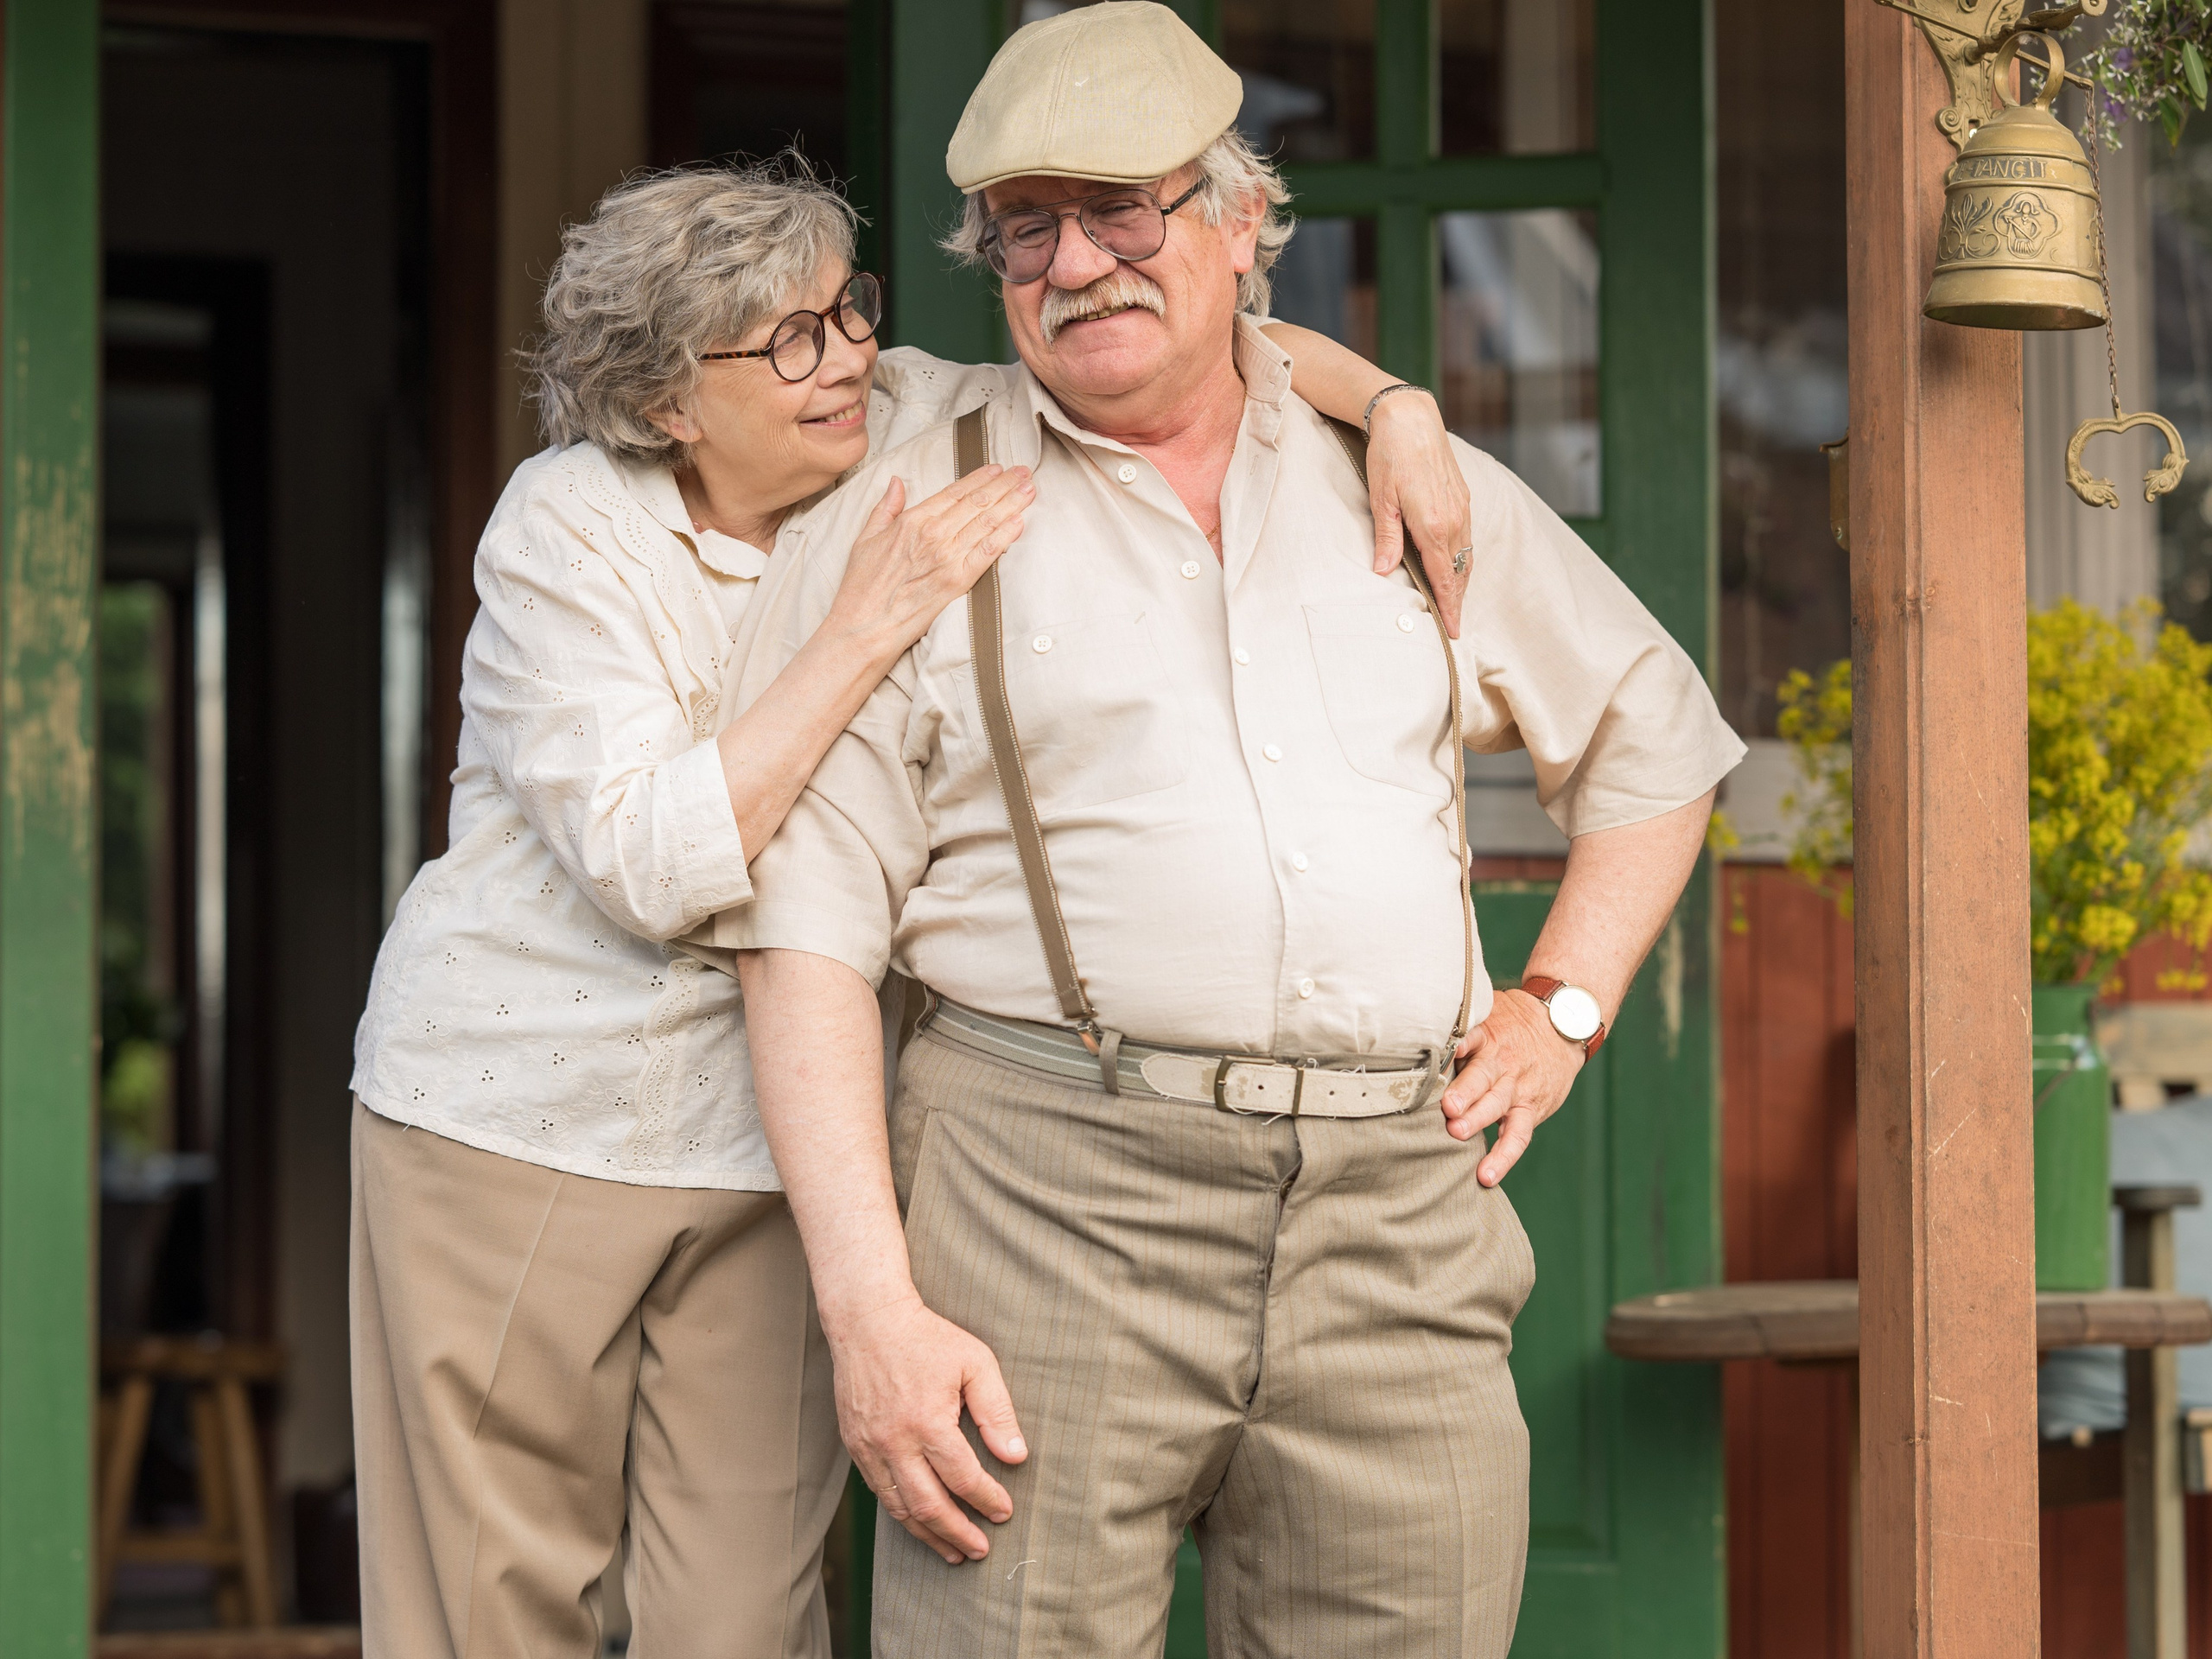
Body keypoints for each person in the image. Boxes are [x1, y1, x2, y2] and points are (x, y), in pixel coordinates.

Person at [346, 154, 1484, 1658]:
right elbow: (654, 862)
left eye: (848, 309)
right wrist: (869, 618)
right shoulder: (567, 529)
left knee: (743, 1615)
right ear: (668, 399)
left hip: (773, 1146)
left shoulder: (893, 420)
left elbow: (1218, 343)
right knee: (489, 1601)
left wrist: (1396, 406)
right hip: (515, 1118)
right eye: (790, 340)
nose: (850, 357)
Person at [723, 6, 1747, 1656]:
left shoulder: (1405, 476)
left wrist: (1563, 1005)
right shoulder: (904, 493)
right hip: (1044, 1191)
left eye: (1125, 211)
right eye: (1029, 230)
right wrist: (873, 1314)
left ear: (1243, 222)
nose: (1079, 263)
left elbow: (1657, 741)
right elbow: (806, 936)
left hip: (1397, 1218)